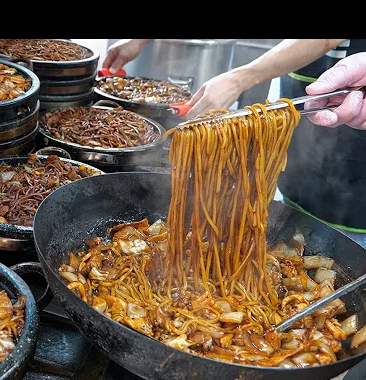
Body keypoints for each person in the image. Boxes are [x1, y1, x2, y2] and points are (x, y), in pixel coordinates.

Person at [105, 39, 366, 246]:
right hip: (308, 137)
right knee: (292, 225)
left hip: (354, 169)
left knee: (336, 247)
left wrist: (241, 77)